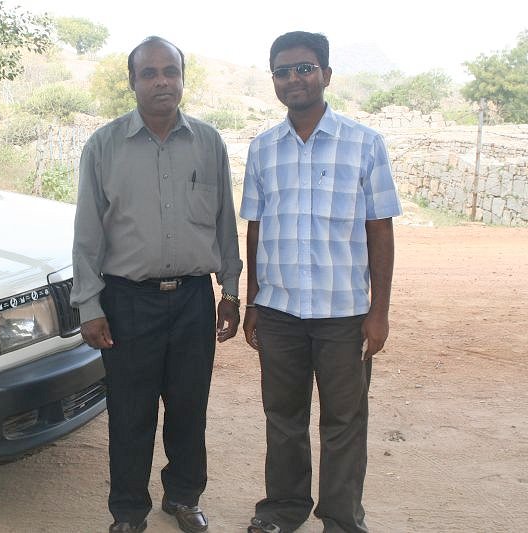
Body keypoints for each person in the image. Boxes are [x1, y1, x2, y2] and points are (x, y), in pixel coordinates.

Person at [71, 36, 243, 533]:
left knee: (190, 410)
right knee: (130, 415)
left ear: (183, 79)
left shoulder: (208, 143)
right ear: (132, 83)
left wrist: (229, 291)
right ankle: (128, 513)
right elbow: (87, 235)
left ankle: (184, 497)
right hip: (126, 302)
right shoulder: (103, 146)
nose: (162, 80)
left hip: (192, 300)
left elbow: (224, 224)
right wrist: (89, 305)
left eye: (171, 71)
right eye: (149, 73)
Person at [239, 31, 402, 533]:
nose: (294, 79)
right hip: (281, 313)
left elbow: (380, 230)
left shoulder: (364, 143)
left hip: (344, 314)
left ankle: (341, 518)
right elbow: (257, 229)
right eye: (283, 71)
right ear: (274, 82)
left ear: (326, 75)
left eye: (305, 68)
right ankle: (284, 510)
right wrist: (253, 303)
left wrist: (378, 311)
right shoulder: (263, 149)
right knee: (283, 418)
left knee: (344, 424)